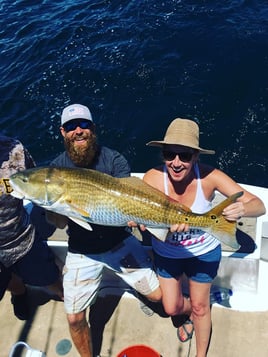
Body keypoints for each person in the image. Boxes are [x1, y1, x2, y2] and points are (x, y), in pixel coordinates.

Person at [141, 118, 266, 357]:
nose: (176, 163)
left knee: (200, 307)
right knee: (171, 307)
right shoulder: (152, 179)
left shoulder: (210, 177)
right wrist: (145, 223)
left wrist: (242, 209)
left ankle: (200, 353)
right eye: (170, 155)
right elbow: (145, 219)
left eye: (185, 156)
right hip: (167, 253)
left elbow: (258, 205)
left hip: (203, 253)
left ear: (196, 157)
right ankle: (191, 308)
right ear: (163, 155)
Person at [46, 103, 161, 357]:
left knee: (158, 297)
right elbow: (60, 223)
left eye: (84, 125)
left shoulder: (113, 159)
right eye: (71, 127)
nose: (78, 131)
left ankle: (138, 285)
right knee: (75, 319)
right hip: (82, 251)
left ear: (92, 129)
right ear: (62, 132)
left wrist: (134, 217)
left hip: (119, 241)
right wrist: (54, 207)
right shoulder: (55, 170)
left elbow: (130, 197)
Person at [0, 134, 63, 320]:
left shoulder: (15, 150)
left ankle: (60, 291)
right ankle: (19, 293)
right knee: (8, 281)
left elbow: (37, 182)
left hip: (22, 238)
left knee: (50, 279)